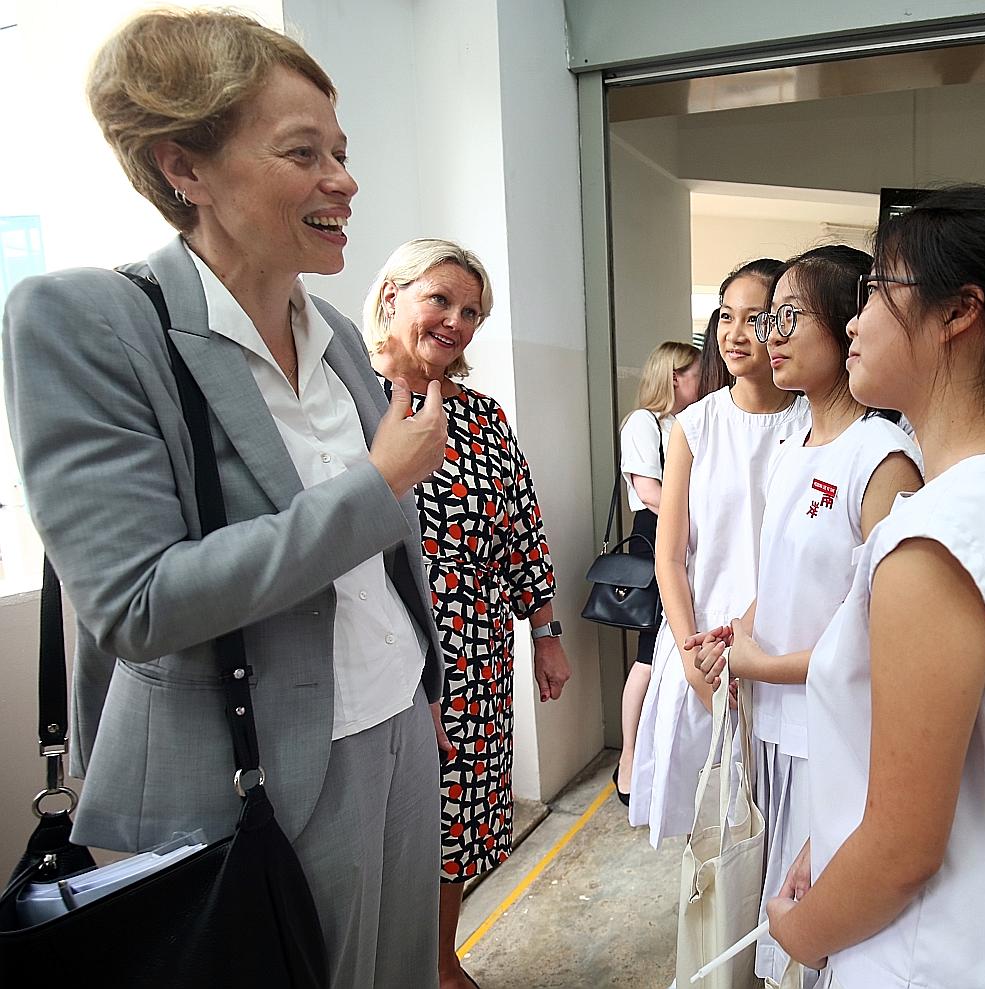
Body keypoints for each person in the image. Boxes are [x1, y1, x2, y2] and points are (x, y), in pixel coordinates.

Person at [2, 11, 446, 986]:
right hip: (261, 772)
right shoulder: (90, 322)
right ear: (185, 169)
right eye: (303, 152)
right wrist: (379, 484)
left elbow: (376, 568)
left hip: (396, 730)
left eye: (341, 152)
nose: (344, 180)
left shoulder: (334, 334)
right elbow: (140, 601)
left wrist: (420, 692)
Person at [765, 186, 985, 987]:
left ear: (959, 312)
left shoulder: (937, 536)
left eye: (875, 290)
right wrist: (838, 832)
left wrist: (799, 932)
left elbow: (903, 850)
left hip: (930, 955)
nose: (854, 322)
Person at [691, 245, 922, 987]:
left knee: (820, 935)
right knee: (776, 924)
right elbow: (782, 578)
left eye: (790, 316)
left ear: (849, 325)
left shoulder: (881, 456)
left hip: (834, 739)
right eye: (771, 318)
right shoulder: (799, 443)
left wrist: (761, 662)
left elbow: (887, 639)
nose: (772, 335)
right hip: (774, 725)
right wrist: (735, 634)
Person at [363, 237, 572, 989]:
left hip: (477, 650)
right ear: (392, 296)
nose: (456, 321)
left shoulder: (480, 417)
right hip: (379, 647)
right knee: (381, 821)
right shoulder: (348, 399)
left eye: (472, 311)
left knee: (457, 815)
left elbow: (522, 529)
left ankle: (440, 963)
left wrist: (545, 632)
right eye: (440, 300)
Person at [628, 259, 809, 844]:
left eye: (755, 318)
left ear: (785, 323)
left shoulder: (813, 424)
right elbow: (669, 555)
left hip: (780, 649)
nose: (735, 334)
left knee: (783, 829)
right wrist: (689, 657)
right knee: (712, 841)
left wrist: (740, 645)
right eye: (725, 317)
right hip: (699, 645)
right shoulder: (696, 424)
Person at [613, 339, 703, 804]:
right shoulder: (642, 423)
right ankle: (628, 758)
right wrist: (694, 520)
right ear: (674, 376)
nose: (702, 381)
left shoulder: (688, 422)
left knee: (665, 652)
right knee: (649, 655)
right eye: (695, 373)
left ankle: (650, 757)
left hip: (681, 536)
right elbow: (648, 491)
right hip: (658, 537)